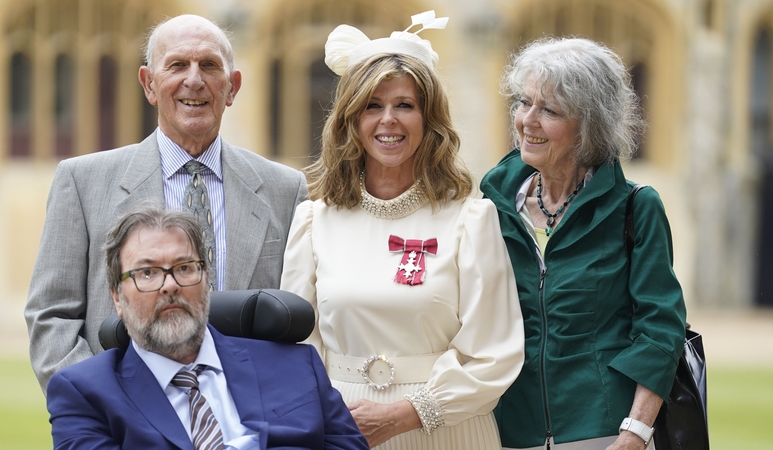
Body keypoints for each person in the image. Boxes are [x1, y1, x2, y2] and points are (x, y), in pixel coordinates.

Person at [280, 11, 525, 450]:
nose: (388, 119)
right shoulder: (314, 221)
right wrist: (329, 416)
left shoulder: (472, 220)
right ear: (351, 120)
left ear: (429, 120)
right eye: (372, 106)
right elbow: (297, 345)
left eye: (405, 105)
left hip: (448, 429)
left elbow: (495, 353)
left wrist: (407, 414)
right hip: (341, 428)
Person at [25, 14, 307, 393]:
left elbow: (300, 320)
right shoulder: (81, 182)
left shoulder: (285, 190)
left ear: (232, 87)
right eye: (177, 65)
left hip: (249, 417)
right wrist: (104, 406)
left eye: (209, 65)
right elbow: (51, 316)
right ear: (149, 84)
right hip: (125, 417)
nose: (194, 79)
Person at [479, 37, 687, 450]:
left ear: (590, 125)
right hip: (506, 431)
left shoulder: (636, 206)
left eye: (550, 110)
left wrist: (635, 432)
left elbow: (660, 329)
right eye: (524, 103)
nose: (527, 121)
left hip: (604, 431)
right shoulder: (490, 205)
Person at [45, 208, 368, 450]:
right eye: (147, 273)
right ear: (117, 296)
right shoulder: (85, 392)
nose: (169, 285)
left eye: (185, 268)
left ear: (207, 281)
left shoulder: (295, 365)